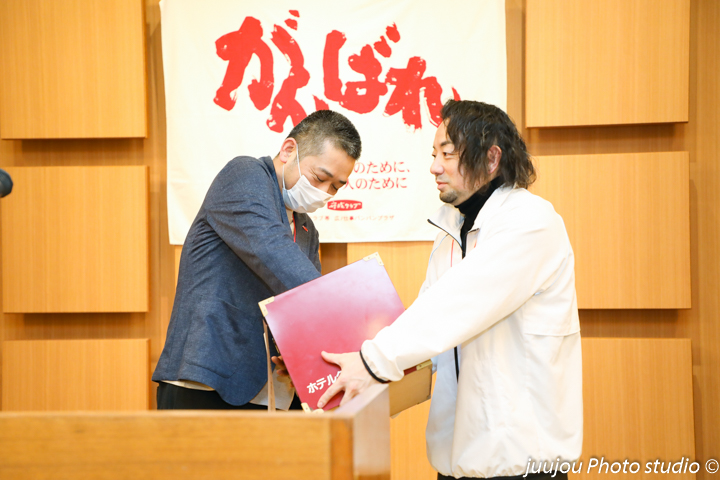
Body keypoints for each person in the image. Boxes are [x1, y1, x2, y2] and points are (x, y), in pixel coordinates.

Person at [318, 100, 582, 480]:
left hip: (519, 460)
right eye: (433, 154)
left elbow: (456, 306)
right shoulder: (451, 229)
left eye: (448, 153)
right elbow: (425, 327)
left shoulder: (530, 222)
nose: (434, 167)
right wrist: (329, 366)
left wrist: (373, 361)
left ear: (491, 159)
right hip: (457, 458)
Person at [153, 110, 361, 410]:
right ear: (289, 151)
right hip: (209, 376)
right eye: (320, 178)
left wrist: (300, 357)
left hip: (273, 391)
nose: (324, 193)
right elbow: (274, 254)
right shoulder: (244, 175)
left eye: (336, 187)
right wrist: (357, 331)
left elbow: (299, 309)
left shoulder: (307, 229)